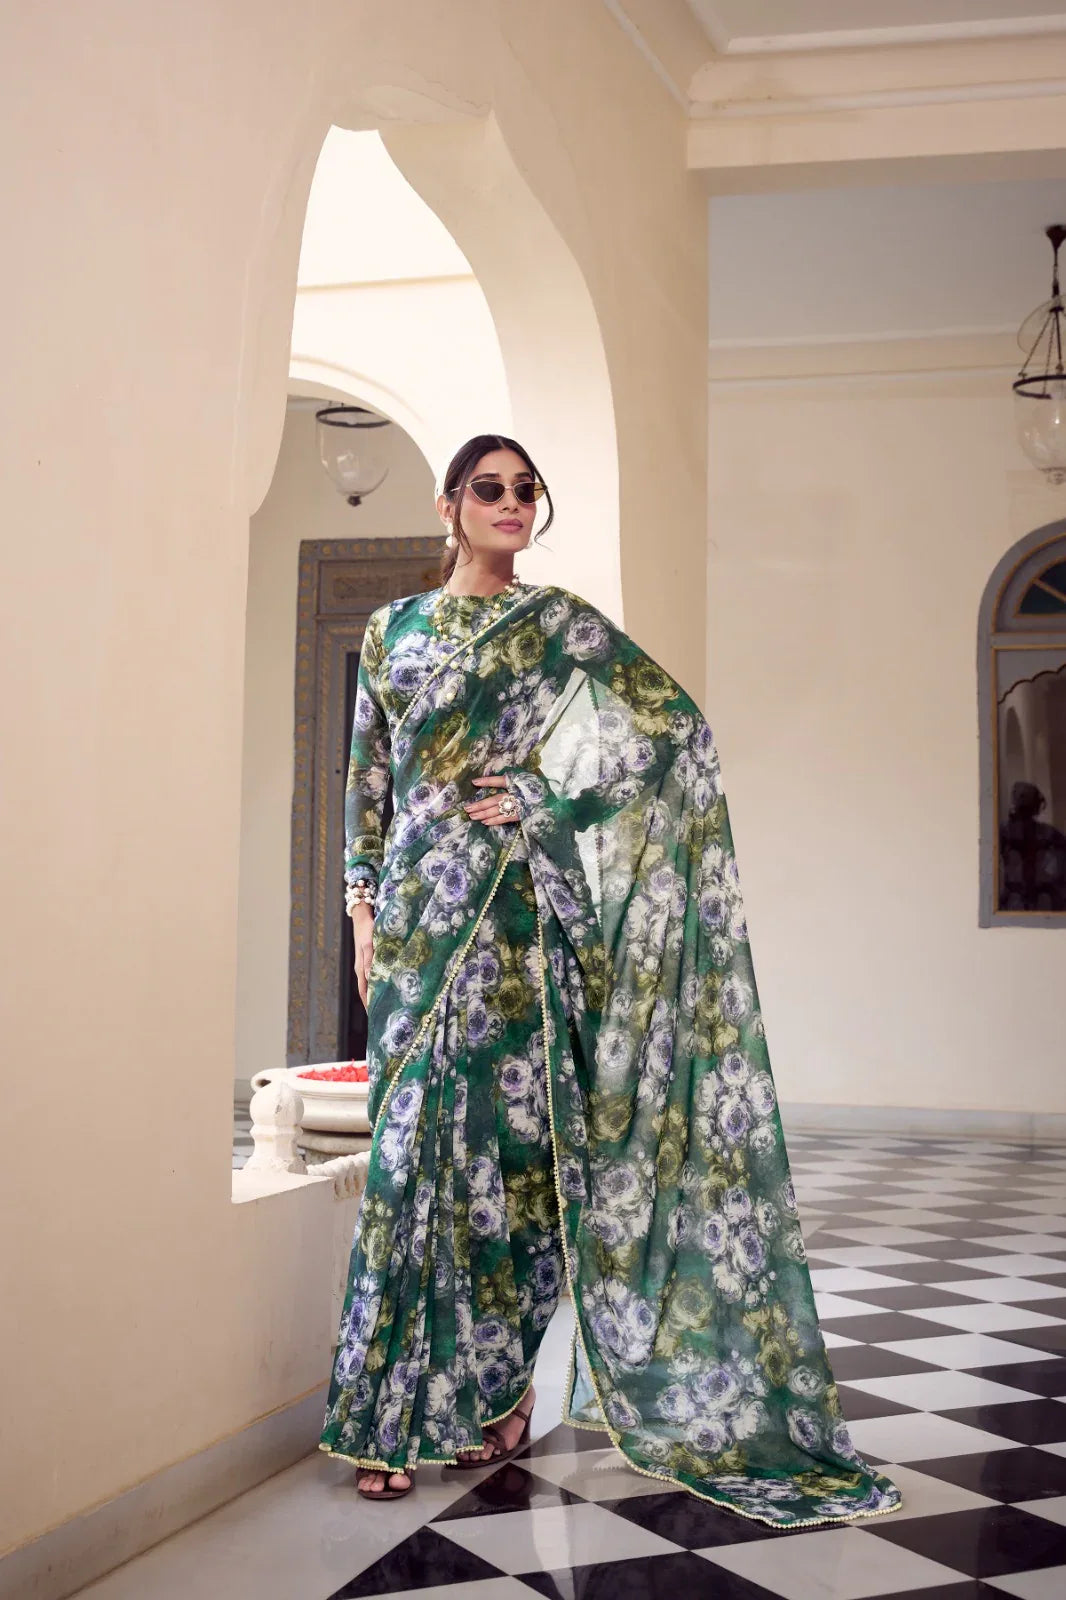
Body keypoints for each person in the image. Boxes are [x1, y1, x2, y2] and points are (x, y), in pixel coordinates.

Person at [319, 433, 904, 1529]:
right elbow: (367, 780)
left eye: (526, 490)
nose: (511, 504)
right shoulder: (391, 627)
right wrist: (360, 904)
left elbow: (672, 733)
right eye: (489, 489)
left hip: (524, 923)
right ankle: (388, 1415)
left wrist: (547, 797)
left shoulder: (555, 624)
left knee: (521, 1168)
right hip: (413, 924)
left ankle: (494, 1390)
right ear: (449, 505)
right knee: (407, 1160)